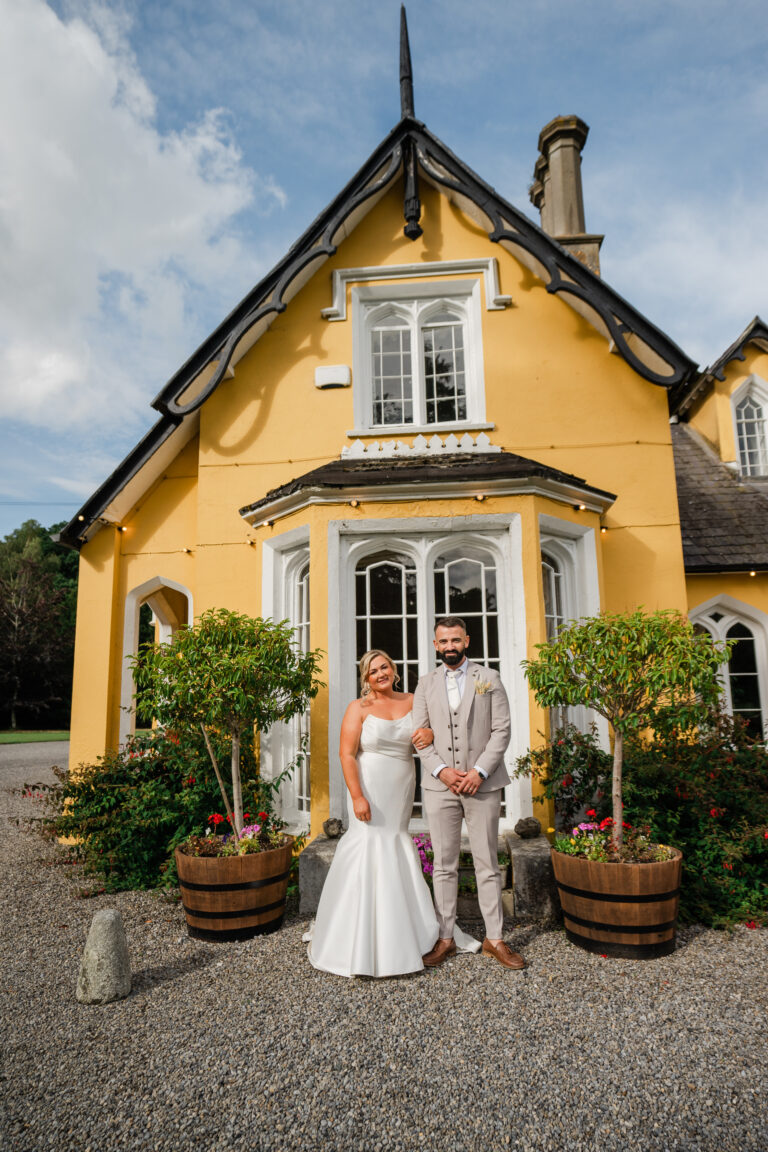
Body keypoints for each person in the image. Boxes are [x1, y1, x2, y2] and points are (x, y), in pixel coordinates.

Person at [304, 649, 479, 977]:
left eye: (384, 666)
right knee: (367, 843)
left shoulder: (414, 700)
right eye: (373, 671)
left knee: (395, 842)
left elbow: (440, 729)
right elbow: (346, 754)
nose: (380, 673)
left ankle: (408, 933)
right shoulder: (358, 708)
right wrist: (357, 796)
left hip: (400, 782)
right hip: (369, 783)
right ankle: (355, 937)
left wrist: (430, 733)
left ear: (393, 669)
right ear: (365, 678)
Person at [412, 616, 525, 970]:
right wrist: (443, 771)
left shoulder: (488, 679)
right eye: (443, 641)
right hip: (439, 786)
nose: (449, 646)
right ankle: (445, 938)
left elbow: (501, 731)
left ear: (467, 641)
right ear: (435, 645)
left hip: (483, 784)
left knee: (486, 862)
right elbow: (419, 735)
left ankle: (495, 938)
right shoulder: (425, 683)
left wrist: (478, 772)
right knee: (444, 864)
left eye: (455, 640)